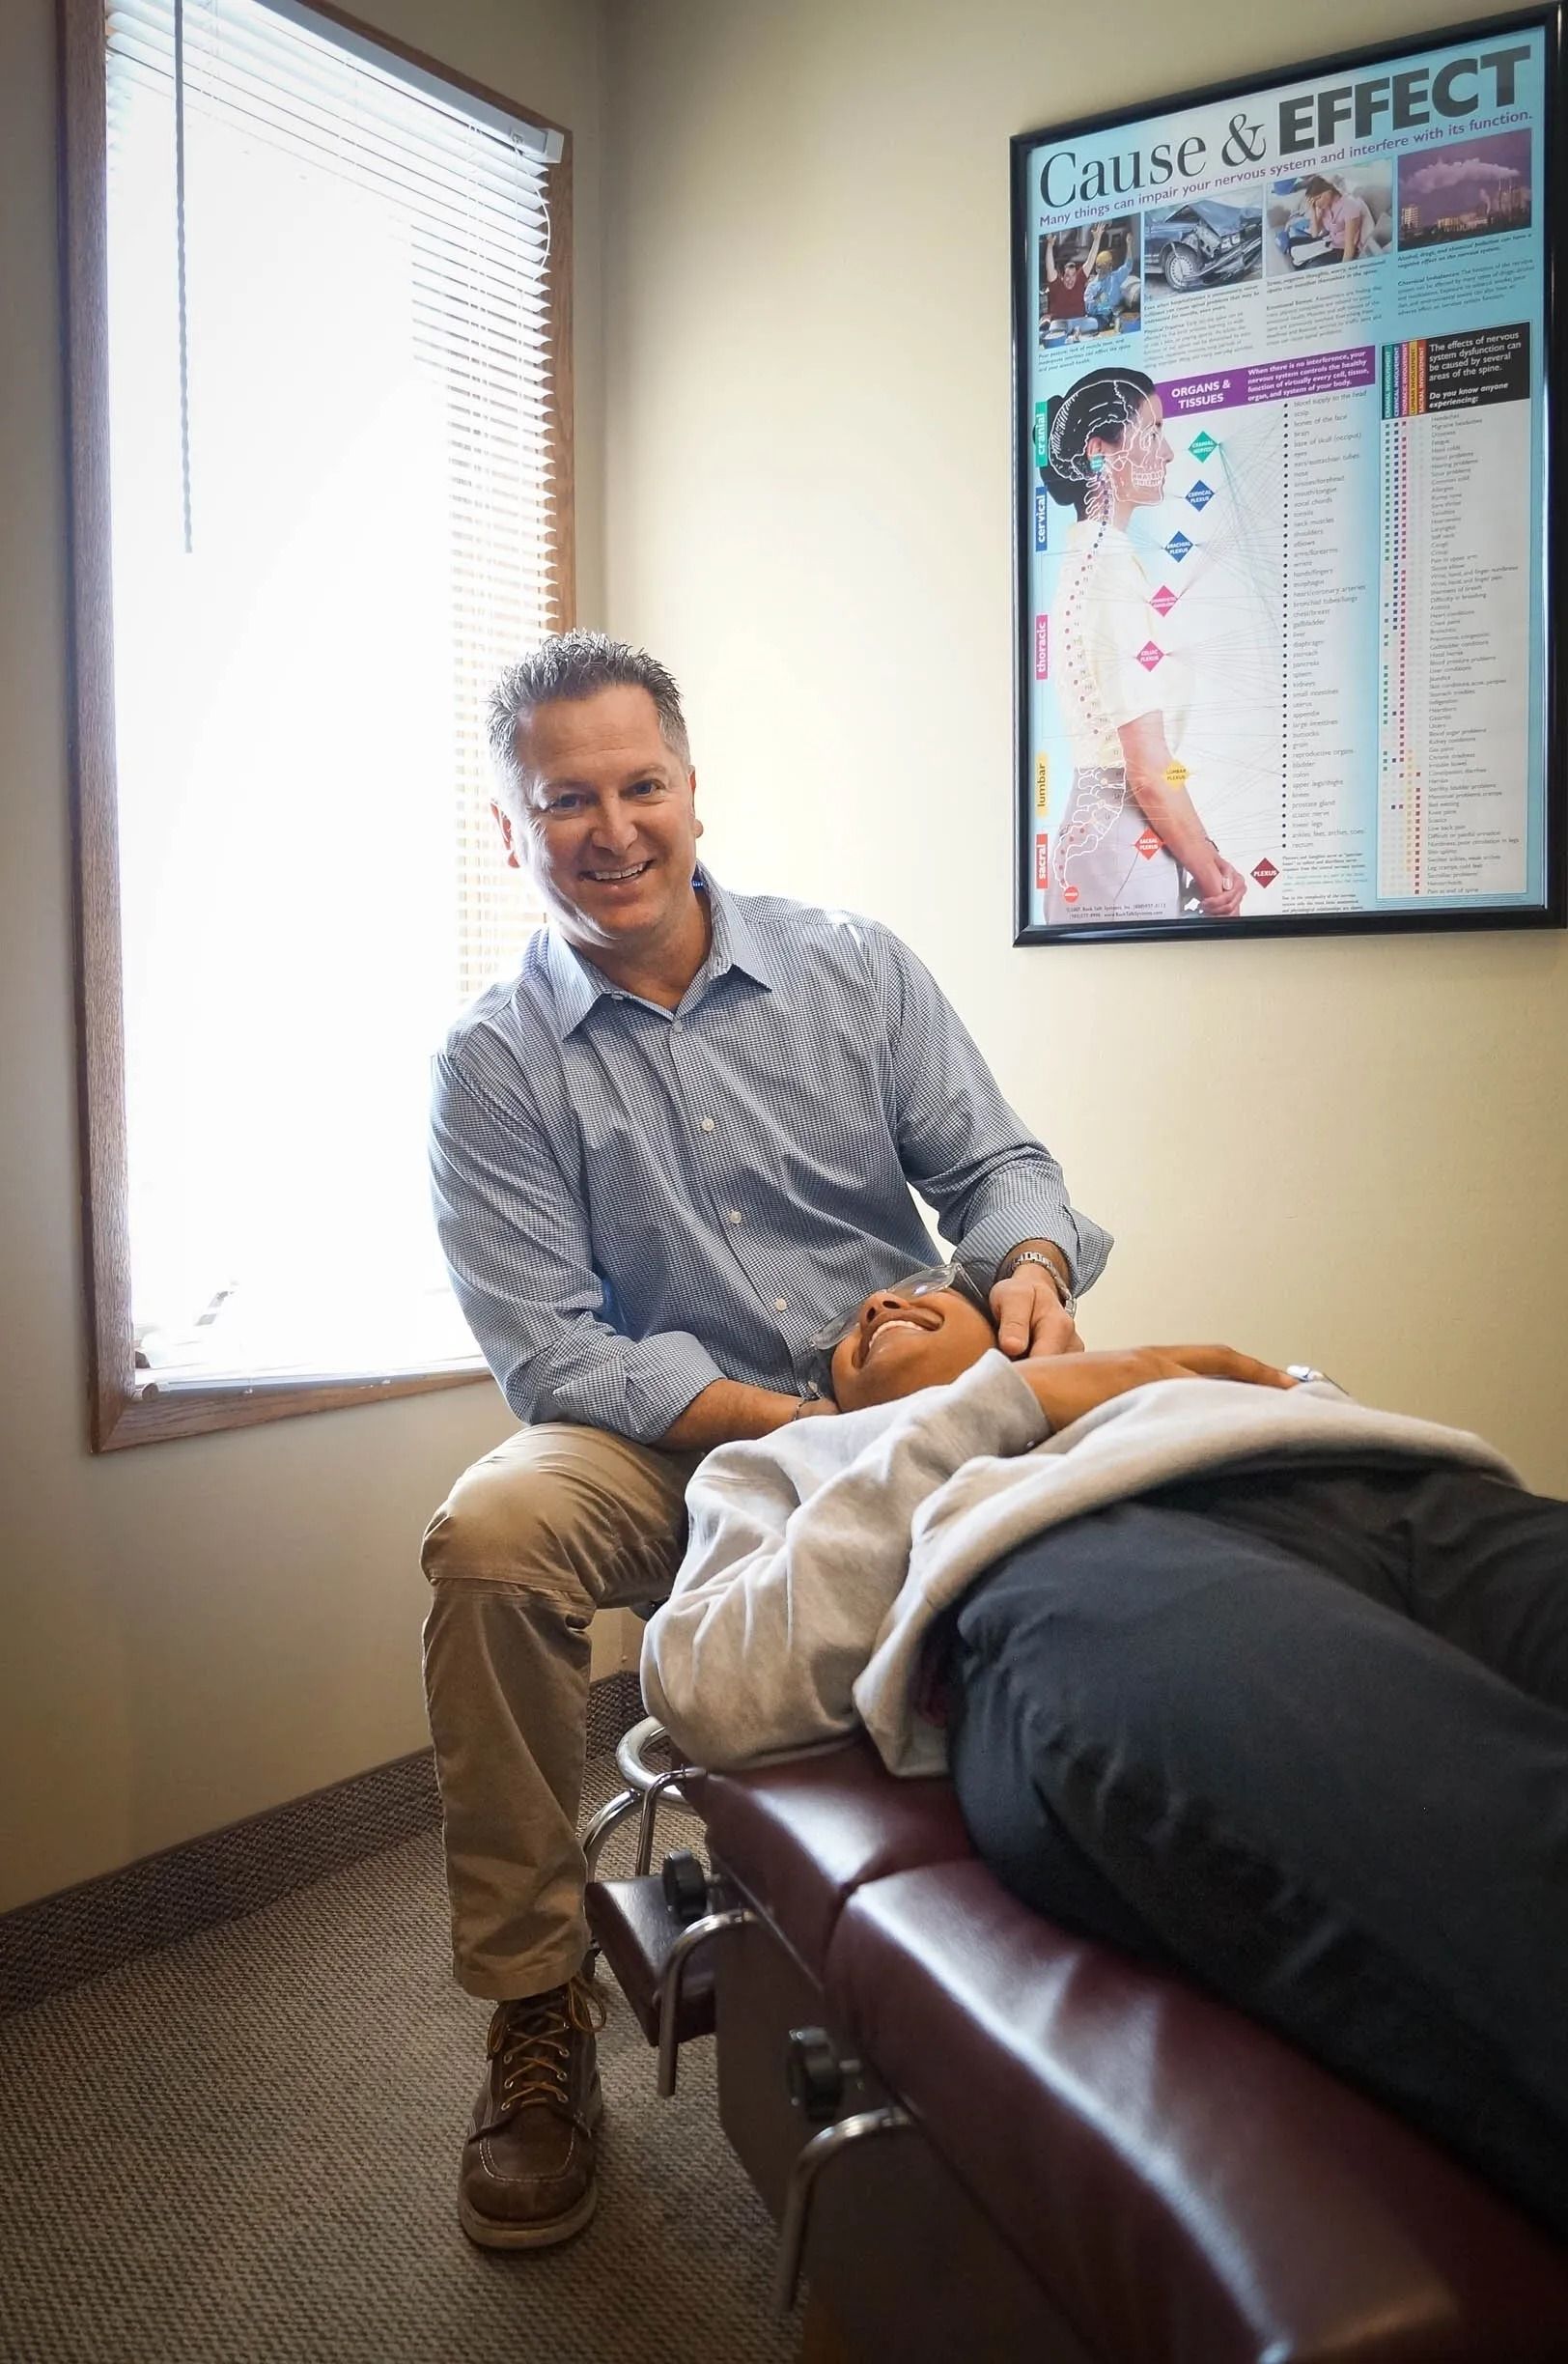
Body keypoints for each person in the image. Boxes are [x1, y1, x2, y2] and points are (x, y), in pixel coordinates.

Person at [422, 631, 1109, 2251]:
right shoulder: (487, 1065)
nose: (612, 828)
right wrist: (791, 1425)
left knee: (1133, 1489)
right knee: (489, 1537)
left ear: (690, 784)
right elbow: (554, 1348)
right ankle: (533, 2011)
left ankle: (1070, 1896)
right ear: (507, 828)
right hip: (670, 1435)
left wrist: (1024, 1274)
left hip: (895, 1390)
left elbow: (998, 1162)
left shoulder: (852, 967)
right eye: (563, 798)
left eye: (639, 783)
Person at [642, 1271, 1568, 2241]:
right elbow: (707, 1684)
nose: (877, 1306)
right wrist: (1006, 1404)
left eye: (917, 1291)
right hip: (1086, 1561)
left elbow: (1306, 1397)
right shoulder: (787, 1460)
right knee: (1478, 1823)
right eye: (852, 1324)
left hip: (1400, 1492)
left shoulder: (1150, 1368)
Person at [1040, 367, 1246, 925]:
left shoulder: (1101, 561)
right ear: (1100, 450)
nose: (1170, 451)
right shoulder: (1108, 573)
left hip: (1118, 850)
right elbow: (1148, 768)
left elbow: (1162, 763)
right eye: (1152, 432)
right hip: (1121, 857)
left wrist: (1204, 849)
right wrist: (1213, 879)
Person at [1041, 230, 1089, 327]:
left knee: (1093, 323)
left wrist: (1097, 239)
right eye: (1067, 276)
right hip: (1060, 324)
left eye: (1073, 275)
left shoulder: (1079, 279)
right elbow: (1049, 267)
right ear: (1062, 277)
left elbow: (1091, 259)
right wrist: (1050, 245)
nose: (1071, 280)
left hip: (1080, 323)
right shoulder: (1056, 284)